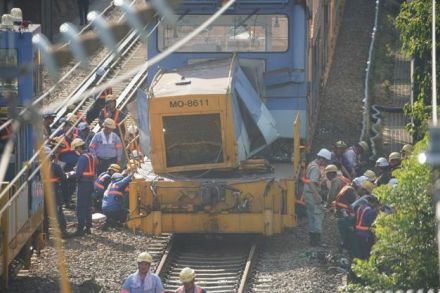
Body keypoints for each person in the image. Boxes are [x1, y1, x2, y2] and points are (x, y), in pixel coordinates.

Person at [303, 148, 331, 246]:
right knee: (318, 214)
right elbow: (311, 183)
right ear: (322, 159)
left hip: (307, 193)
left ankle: (313, 240)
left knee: (311, 215)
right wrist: (317, 195)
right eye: (325, 161)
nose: (325, 163)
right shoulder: (315, 168)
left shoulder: (311, 164)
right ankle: (317, 240)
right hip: (311, 193)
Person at [71, 138, 96, 236]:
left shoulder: (82, 158)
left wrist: (73, 177)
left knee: (81, 206)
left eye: (75, 149)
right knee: (88, 205)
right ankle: (88, 227)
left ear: (78, 148)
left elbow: (78, 173)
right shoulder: (92, 156)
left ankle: (80, 228)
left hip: (83, 184)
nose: (75, 152)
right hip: (91, 183)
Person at [42, 146, 69, 239]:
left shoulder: (37, 167)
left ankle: (45, 233)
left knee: (44, 213)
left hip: (42, 192)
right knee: (58, 212)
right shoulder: (56, 167)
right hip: (54, 191)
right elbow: (64, 179)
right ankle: (63, 231)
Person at [56, 117, 79, 208]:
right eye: (68, 127)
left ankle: (68, 199)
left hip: (74, 165)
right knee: (64, 184)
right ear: (64, 128)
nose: (70, 128)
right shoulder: (59, 139)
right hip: (64, 166)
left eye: (71, 126)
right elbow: (56, 152)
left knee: (73, 184)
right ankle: (66, 201)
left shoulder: (77, 138)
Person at [353, 195, 380, 260]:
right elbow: (371, 224)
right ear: (374, 203)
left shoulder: (361, 207)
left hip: (357, 232)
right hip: (366, 235)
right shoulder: (370, 211)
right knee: (367, 253)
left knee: (360, 252)